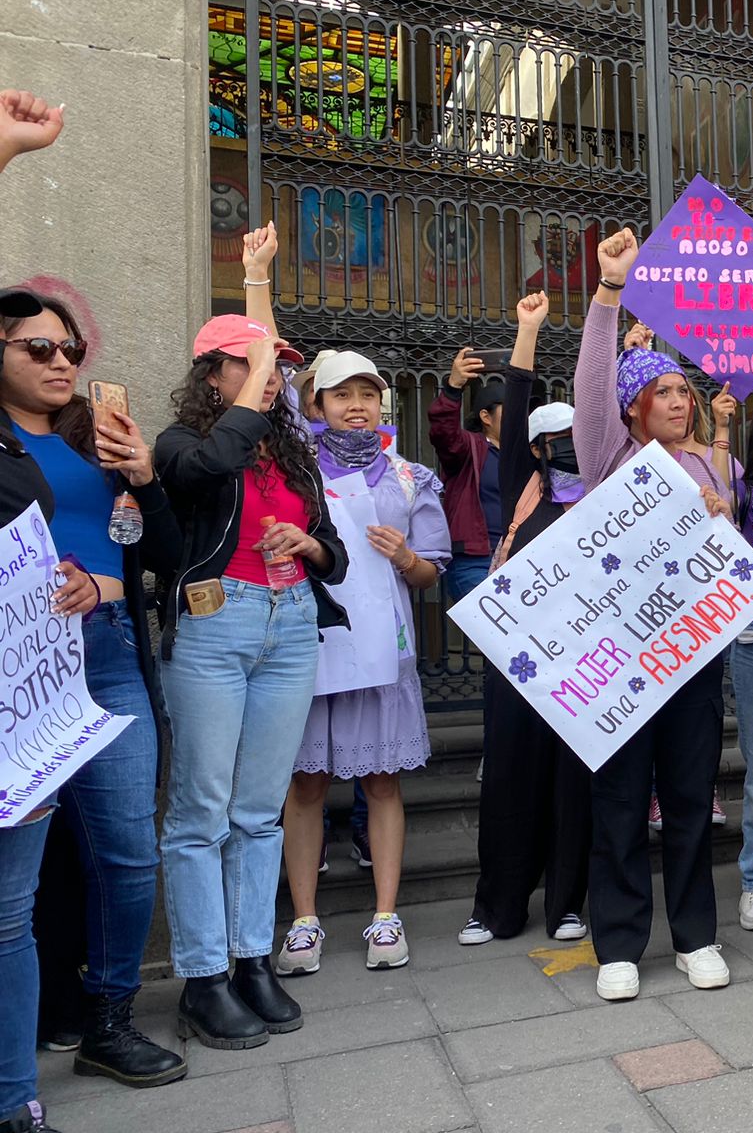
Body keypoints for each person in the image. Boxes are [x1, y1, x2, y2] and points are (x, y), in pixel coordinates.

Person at [154, 222, 348, 1051]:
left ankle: (248, 960)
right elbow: (203, 473)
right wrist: (251, 389)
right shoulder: (184, 442)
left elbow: (335, 557)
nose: (275, 378)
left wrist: (308, 546)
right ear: (214, 372)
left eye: (279, 366)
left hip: (290, 623)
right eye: (254, 363)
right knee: (200, 809)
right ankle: (201, 976)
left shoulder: (291, 453)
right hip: (213, 624)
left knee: (259, 811)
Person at [0, 290, 188, 1087]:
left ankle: (109, 1021)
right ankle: (28, 1042)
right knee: (21, 875)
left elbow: (169, 556)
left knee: (129, 853)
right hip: (24, 665)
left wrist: (144, 479)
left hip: (109, 655)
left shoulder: (93, 440)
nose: (60, 361)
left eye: (68, 348)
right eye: (37, 349)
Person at [573, 228, 734, 1003]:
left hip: (694, 656)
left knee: (693, 794)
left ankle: (698, 935)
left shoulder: (709, 464)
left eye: (683, 392)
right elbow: (589, 387)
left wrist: (716, 521)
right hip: (619, 660)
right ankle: (621, 942)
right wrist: (609, 292)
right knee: (619, 799)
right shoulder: (610, 457)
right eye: (660, 393)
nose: (676, 402)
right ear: (634, 408)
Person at [277, 351, 451, 974]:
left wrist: (407, 558)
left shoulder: (409, 479)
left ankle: (385, 915)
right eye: (341, 394)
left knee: (381, 781)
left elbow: (433, 570)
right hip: (313, 648)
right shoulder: (293, 473)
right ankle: (304, 921)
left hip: (383, 654)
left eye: (368, 394)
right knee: (306, 786)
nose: (357, 405)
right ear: (316, 406)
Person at [458, 293, 594, 948]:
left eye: (575, 436)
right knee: (510, 774)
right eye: (552, 439)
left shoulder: (606, 492)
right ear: (534, 446)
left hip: (584, 661)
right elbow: (515, 404)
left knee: (573, 781)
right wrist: (528, 331)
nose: (564, 447)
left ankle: (567, 903)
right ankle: (497, 907)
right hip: (517, 658)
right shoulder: (524, 486)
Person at [429, 347, 504, 604]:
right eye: (511, 409)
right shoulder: (470, 447)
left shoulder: (526, 454)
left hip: (518, 558)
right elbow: (443, 433)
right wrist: (453, 387)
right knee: (499, 627)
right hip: (475, 562)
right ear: (486, 416)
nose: (521, 417)